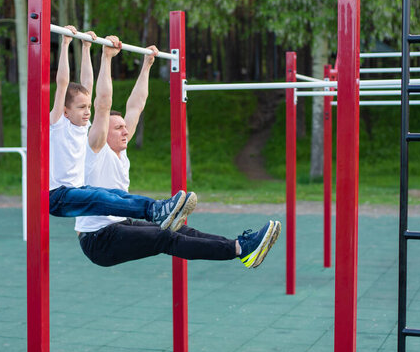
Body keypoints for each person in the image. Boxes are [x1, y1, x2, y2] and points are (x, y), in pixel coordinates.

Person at [75, 44, 282, 268]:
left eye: (125, 127)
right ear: (103, 132)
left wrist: (147, 65)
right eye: (118, 129)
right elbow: (102, 103)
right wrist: (106, 58)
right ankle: (240, 250)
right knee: (165, 238)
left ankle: (241, 246)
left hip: (121, 224)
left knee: (178, 228)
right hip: (98, 239)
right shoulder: (95, 149)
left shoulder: (120, 150)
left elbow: (136, 105)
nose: (126, 131)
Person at [48, 26, 191, 231]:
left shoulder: (83, 125)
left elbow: (90, 85)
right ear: (65, 111)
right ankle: (154, 211)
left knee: (114, 194)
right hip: (58, 195)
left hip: (77, 191)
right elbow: (63, 84)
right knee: (101, 195)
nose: (88, 112)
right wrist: (65, 44)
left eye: (88, 107)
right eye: (81, 107)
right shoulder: (59, 123)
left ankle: (159, 208)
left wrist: (87, 47)